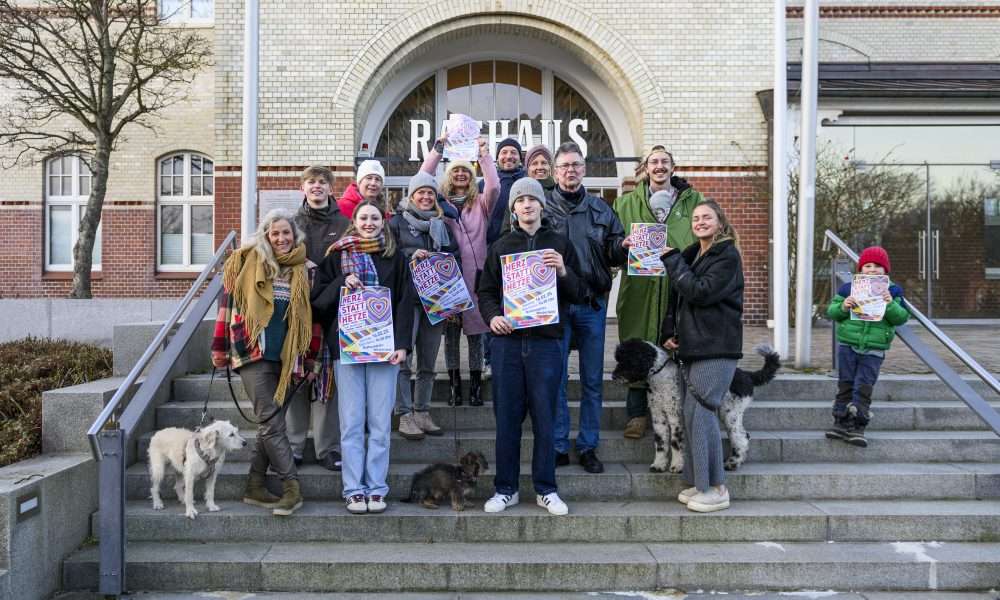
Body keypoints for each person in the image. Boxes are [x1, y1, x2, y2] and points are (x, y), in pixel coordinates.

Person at [477, 177, 586, 516]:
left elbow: (580, 292)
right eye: (520, 201)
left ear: (541, 205)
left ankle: (546, 489)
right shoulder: (501, 245)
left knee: (545, 418)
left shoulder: (559, 244)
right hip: (508, 344)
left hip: (546, 344)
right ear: (513, 208)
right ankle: (505, 489)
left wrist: (564, 271)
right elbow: (486, 292)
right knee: (507, 420)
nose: (526, 205)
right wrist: (493, 317)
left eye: (532, 200)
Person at [211, 209, 318, 517]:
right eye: (275, 234)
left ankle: (255, 485)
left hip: (286, 359)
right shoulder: (243, 262)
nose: (281, 239)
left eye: (286, 233)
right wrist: (219, 348)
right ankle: (291, 488)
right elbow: (226, 307)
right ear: (266, 236)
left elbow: (312, 320)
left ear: (294, 236)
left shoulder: (306, 270)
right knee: (272, 423)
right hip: (250, 352)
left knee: (267, 424)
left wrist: (309, 357)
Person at [311, 200, 415, 514]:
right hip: (347, 351)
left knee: (381, 425)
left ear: (383, 222)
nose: (369, 222)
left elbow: (405, 302)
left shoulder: (394, 258)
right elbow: (317, 303)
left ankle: (377, 488)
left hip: (385, 351)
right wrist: (344, 283)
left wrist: (403, 344)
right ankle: (354, 489)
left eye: (374, 218)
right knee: (352, 423)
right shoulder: (336, 257)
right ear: (353, 221)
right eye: (363, 218)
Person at [658, 200, 744, 513]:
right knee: (692, 413)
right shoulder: (694, 254)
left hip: (717, 346)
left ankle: (717, 488)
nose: (700, 222)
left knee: (705, 411)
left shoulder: (727, 256)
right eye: (695, 218)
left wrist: (671, 259)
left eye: (707, 217)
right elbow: (680, 299)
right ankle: (700, 482)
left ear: (720, 222)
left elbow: (701, 292)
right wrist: (671, 330)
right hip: (694, 346)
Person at [547, 141, 627, 474]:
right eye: (564, 166)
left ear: (585, 169)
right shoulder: (542, 208)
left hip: (593, 304)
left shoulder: (602, 209)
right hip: (556, 306)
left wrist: (625, 247)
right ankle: (558, 444)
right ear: (554, 171)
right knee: (558, 379)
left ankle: (589, 445)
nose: (571, 171)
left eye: (576, 165)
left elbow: (616, 252)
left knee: (593, 380)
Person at [615, 146, 702, 440]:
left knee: (676, 348)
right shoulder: (625, 204)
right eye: (654, 162)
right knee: (638, 347)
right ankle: (637, 415)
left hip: (678, 290)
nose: (660, 166)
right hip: (639, 290)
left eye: (665, 161)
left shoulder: (694, 203)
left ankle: (677, 415)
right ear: (645, 168)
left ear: (673, 167)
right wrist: (621, 246)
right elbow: (610, 247)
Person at [419, 133, 499, 406]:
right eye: (456, 172)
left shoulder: (482, 204)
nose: (461, 175)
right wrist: (437, 149)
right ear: (449, 176)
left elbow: (494, 185)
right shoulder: (439, 204)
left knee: (476, 336)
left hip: (476, 279)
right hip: (448, 281)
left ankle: (475, 387)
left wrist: (484, 155)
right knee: (451, 337)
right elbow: (422, 179)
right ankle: (454, 387)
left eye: (466, 171)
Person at [287, 165, 350, 471]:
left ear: (329, 188)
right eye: (311, 182)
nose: (316, 187)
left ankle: (328, 448)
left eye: (322, 182)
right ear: (303, 188)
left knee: (328, 384)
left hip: (332, 309)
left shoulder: (344, 222)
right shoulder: (293, 222)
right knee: (296, 378)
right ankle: (295, 445)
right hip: (297, 312)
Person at [389, 172, 461, 440]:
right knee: (404, 361)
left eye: (430, 193)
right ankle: (405, 413)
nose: (426, 196)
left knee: (429, 362)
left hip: (436, 301)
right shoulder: (396, 223)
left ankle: (422, 410)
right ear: (411, 195)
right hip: (408, 302)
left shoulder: (442, 225)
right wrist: (411, 256)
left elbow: (455, 257)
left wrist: (443, 262)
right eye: (421, 192)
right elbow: (389, 258)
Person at [825, 246, 909, 447]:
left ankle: (859, 425)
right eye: (868, 266)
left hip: (874, 349)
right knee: (845, 384)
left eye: (878, 266)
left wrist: (890, 303)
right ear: (861, 269)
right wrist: (844, 305)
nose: (872, 270)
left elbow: (901, 318)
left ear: (885, 270)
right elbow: (832, 312)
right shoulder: (848, 288)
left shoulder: (893, 291)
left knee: (863, 387)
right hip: (848, 345)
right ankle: (840, 421)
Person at [498, 144, 554, 239]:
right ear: (527, 168)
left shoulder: (558, 193)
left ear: (550, 167)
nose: (539, 167)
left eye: (544, 163)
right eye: (534, 163)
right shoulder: (518, 193)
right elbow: (506, 232)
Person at [483, 137, 526, 246]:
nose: (509, 156)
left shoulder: (528, 182)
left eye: (513, 152)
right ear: (497, 158)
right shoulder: (484, 184)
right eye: (504, 152)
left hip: (523, 246)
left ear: (520, 158)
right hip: (492, 245)